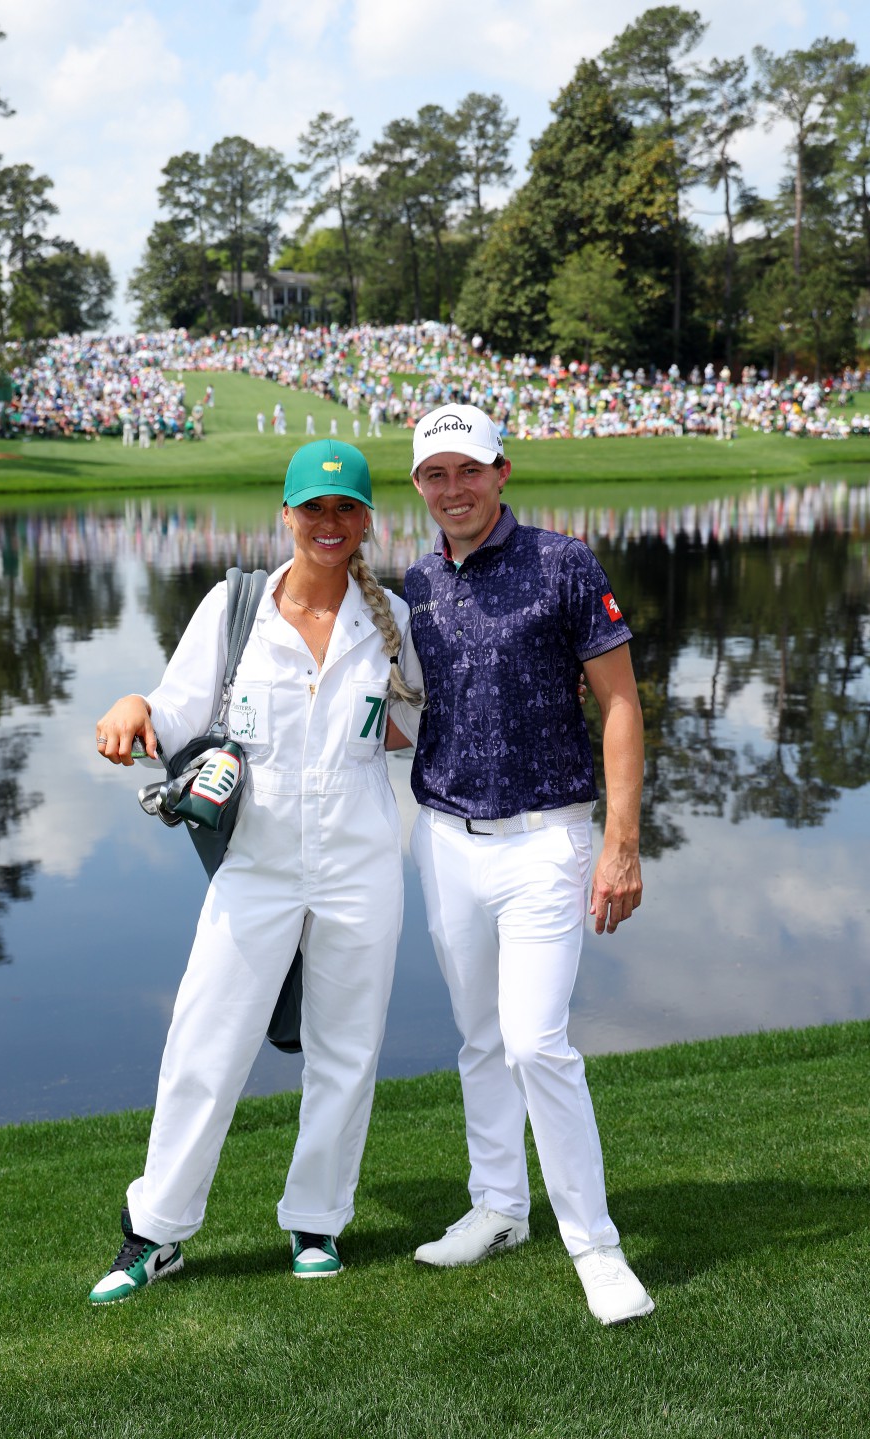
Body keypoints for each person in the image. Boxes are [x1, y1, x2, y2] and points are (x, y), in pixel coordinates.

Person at [88, 439, 422, 1303]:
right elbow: (172, 707)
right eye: (313, 507)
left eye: (346, 508)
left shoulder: (391, 620)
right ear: (286, 513)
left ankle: (316, 1221)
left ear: (366, 521)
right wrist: (133, 707)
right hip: (256, 867)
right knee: (206, 1040)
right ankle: (155, 1234)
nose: (329, 523)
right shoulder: (236, 606)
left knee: (346, 1048)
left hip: (360, 864)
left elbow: (411, 723)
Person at [400, 403, 653, 1327]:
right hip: (444, 840)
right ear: (418, 485)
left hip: (549, 838)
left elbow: (619, 704)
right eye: (435, 474)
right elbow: (408, 712)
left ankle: (594, 1241)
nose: (453, 488)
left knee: (535, 1040)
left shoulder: (564, 562)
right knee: (479, 1036)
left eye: (468, 469)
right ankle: (499, 1206)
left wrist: (621, 844)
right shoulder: (416, 582)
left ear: (502, 470)